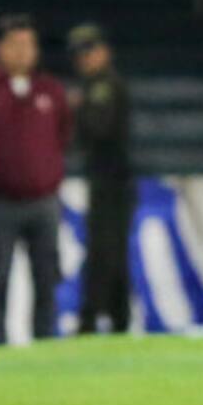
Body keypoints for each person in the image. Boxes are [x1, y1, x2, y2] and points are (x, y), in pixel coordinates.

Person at [0, 14, 71, 344]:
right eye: (15, 45)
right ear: (0, 48)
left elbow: (63, 136)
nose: (23, 52)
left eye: (29, 45)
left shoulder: (51, 89)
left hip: (44, 200)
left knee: (47, 275)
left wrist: (43, 171)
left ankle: (47, 341)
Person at [68, 23, 132, 334]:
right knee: (112, 251)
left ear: (105, 52)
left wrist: (78, 110)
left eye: (90, 50)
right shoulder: (99, 84)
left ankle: (90, 320)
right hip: (109, 178)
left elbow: (100, 129)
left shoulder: (102, 87)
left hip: (111, 181)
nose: (84, 58)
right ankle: (119, 319)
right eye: (80, 53)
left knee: (103, 251)